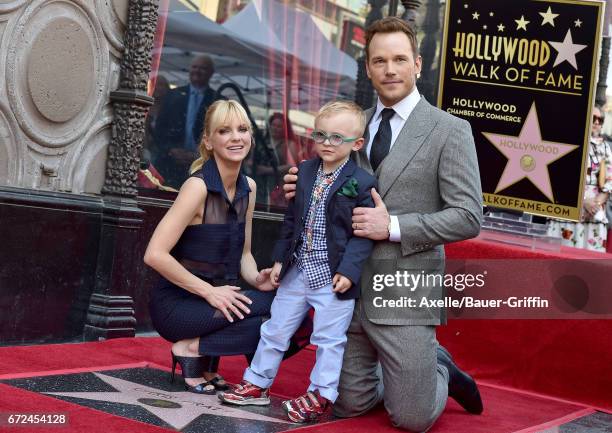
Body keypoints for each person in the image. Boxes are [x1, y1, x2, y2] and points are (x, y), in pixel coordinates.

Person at [283, 17, 483, 431]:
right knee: (345, 406)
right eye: (379, 60)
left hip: (405, 291)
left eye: (399, 59)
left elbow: (468, 216)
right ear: (369, 68)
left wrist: (390, 225)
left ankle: (438, 369)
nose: (389, 69)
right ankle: (410, 370)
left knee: (411, 419)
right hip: (345, 288)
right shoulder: (351, 128)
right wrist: (304, 187)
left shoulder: (450, 130)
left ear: (417, 64)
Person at [218, 101, 377, 423]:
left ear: (356, 144)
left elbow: (363, 235)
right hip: (297, 269)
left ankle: (321, 393)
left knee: (329, 339)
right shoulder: (304, 172)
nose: (328, 143)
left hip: (333, 276)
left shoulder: (361, 182)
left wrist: (349, 270)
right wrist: (279, 260)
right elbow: (291, 220)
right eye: (321, 135)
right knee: (275, 329)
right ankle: (257, 383)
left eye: (337, 138)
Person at [145, 100, 281, 394]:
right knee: (278, 310)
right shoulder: (197, 187)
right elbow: (154, 254)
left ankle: (197, 349)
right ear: (208, 140)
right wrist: (209, 291)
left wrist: (259, 278)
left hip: (217, 301)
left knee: (288, 305)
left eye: (242, 129)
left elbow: (243, 253)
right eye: (224, 131)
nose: (236, 137)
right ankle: (190, 348)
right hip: (178, 306)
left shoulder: (250, 187)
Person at [547, 106, 612, 252]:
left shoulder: (606, 148)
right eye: (593, 118)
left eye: (600, 119)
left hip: (593, 214)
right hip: (567, 210)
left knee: (589, 268)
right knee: (558, 262)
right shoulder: (568, 142)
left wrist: (595, 204)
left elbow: (610, 181)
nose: (596, 122)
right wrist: (582, 201)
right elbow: (558, 178)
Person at [154, 55, 222, 188]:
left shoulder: (218, 100)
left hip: (201, 169)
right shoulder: (172, 95)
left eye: (202, 68)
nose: (197, 71)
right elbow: (160, 129)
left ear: (211, 73)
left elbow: (220, 136)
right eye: (194, 67)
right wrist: (172, 150)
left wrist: (199, 155)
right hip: (169, 165)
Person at [251, 113, 304, 206]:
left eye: (279, 126)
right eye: (273, 125)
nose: (275, 128)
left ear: (285, 128)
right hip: (257, 183)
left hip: (277, 186)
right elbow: (249, 160)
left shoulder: (289, 144)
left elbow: (293, 167)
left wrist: (267, 170)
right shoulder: (261, 141)